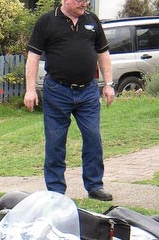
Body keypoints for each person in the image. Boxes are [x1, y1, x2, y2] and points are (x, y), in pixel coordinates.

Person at [24, 0, 115, 201]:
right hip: (57, 91)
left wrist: (109, 84)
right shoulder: (47, 21)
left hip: (88, 91)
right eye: (81, 0)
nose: (85, 3)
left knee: (93, 137)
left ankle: (94, 186)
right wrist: (30, 90)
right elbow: (33, 57)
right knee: (55, 142)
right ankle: (56, 191)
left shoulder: (92, 20)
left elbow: (103, 53)